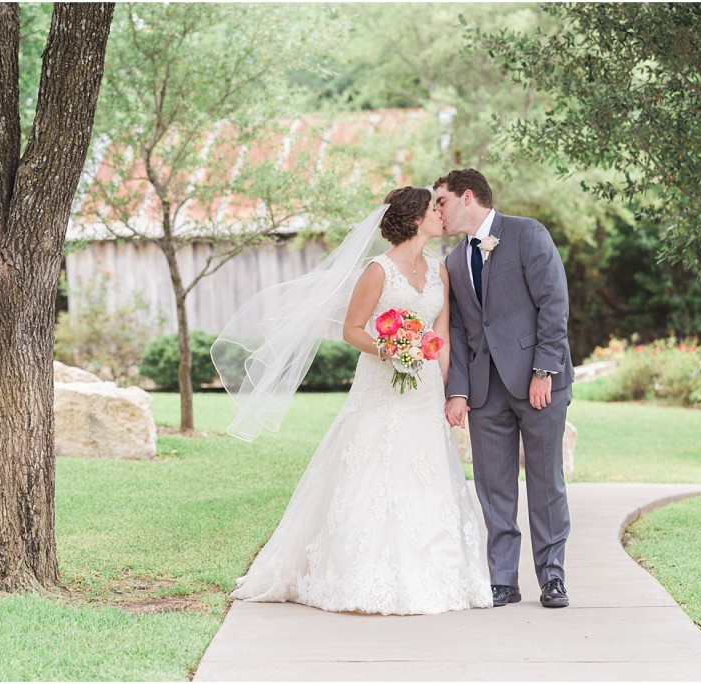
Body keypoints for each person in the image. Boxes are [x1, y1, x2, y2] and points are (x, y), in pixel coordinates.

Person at [213, 187, 492, 615]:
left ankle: (436, 571)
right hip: (381, 386)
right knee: (372, 472)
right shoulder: (378, 271)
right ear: (415, 219)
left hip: (424, 392)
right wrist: (392, 349)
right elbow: (353, 329)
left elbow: (443, 335)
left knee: (426, 473)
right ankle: (359, 572)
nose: (442, 213)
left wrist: (448, 388)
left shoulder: (440, 271)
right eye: (434, 208)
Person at [434, 168, 574, 609]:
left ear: (468, 197)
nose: (437, 209)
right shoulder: (455, 261)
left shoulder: (527, 234)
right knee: (493, 486)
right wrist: (457, 391)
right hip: (484, 389)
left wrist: (544, 370)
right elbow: (457, 329)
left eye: (441, 201)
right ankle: (502, 579)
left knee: (545, 480)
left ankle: (552, 577)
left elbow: (554, 301)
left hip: (538, 383)